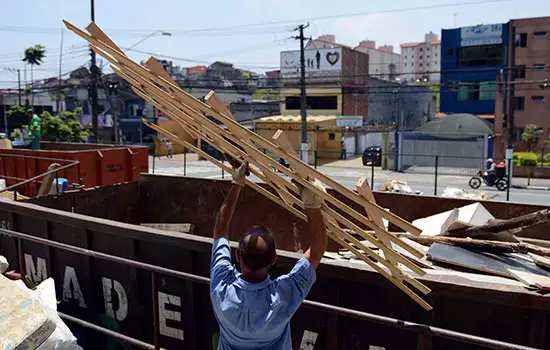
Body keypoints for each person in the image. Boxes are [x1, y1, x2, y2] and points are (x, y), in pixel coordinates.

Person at [210, 161, 327, 350]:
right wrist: (311, 204)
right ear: (274, 259)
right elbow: (317, 250)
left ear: (238, 256)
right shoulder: (281, 297)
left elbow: (220, 229)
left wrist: (237, 184)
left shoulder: (222, 288)